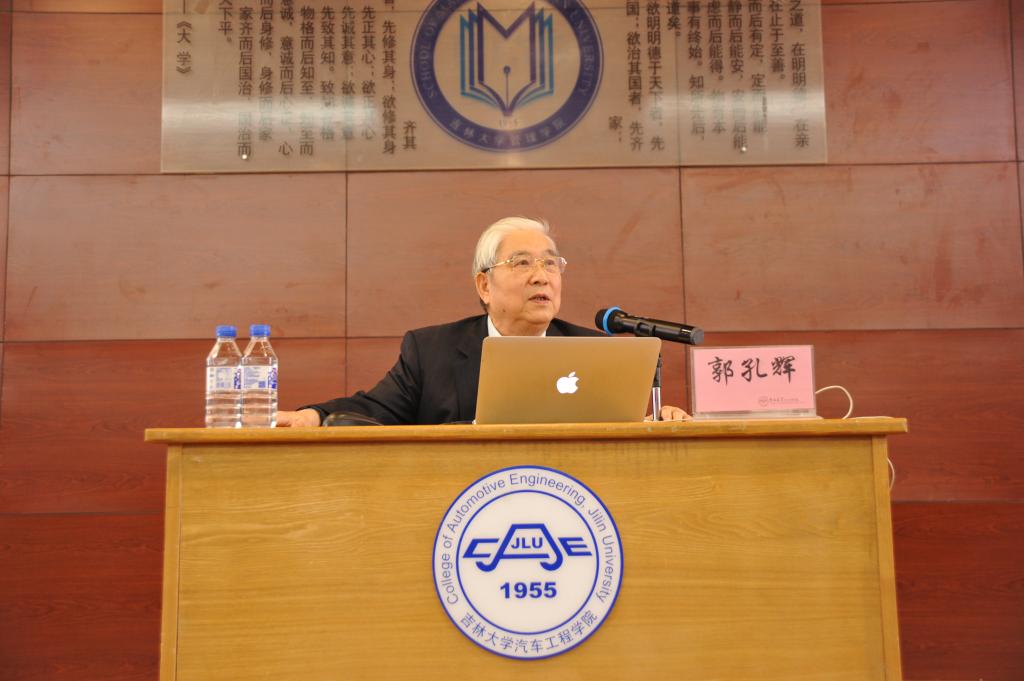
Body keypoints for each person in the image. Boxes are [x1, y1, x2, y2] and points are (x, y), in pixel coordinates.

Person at [276, 217, 687, 426]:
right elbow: (374, 409)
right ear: (484, 285)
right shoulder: (431, 352)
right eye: (522, 263)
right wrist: (313, 415)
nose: (541, 276)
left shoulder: (596, 351)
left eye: (550, 264)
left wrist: (659, 420)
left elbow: (622, 429)